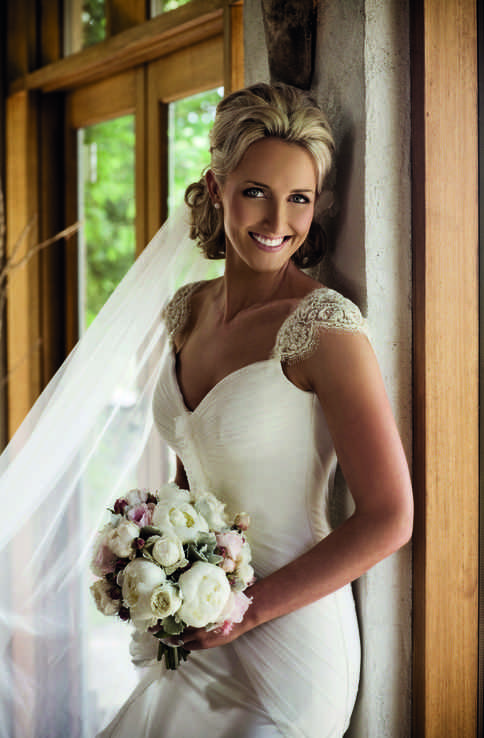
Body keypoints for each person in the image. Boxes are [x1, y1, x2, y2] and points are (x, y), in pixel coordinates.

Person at [97, 83, 413, 737]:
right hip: (200, 631)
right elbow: (194, 471)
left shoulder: (325, 327)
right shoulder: (187, 310)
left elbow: (390, 517)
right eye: (255, 192)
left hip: (289, 642)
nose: (278, 221)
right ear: (216, 188)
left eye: (299, 198)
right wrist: (157, 558)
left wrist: (246, 609)